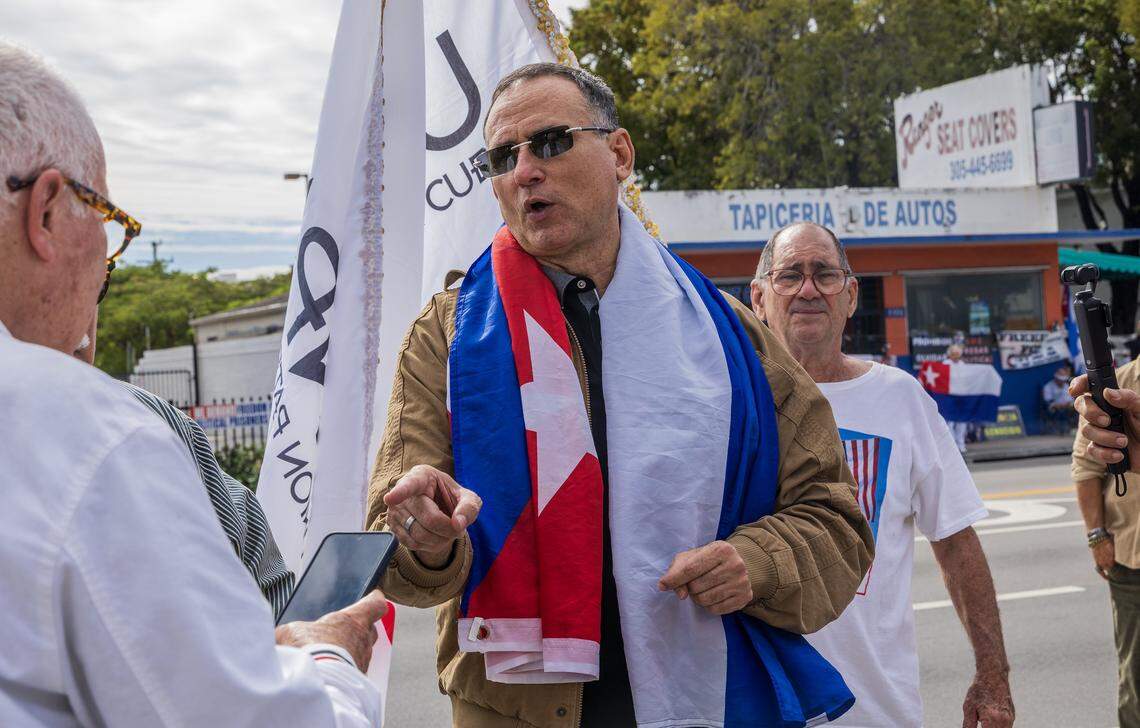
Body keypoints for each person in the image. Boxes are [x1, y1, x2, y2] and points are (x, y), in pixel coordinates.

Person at [366, 63, 874, 727]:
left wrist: (757, 561)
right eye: (501, 157)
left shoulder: (726, 333)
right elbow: (392, 540)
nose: (524, 171)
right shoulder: (449, 335)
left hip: (707, 692)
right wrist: (425, 537)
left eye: (549, 143)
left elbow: (835, 520)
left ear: (620, 154)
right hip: (517, 708)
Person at [0, 43, 384, 725]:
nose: (104, 273)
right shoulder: (86, 435)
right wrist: (325, 657)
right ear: (50, 212)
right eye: (110, 221)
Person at [750, 222, 1014, 728]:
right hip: (757, 707)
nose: (808, 289)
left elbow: (956, 543)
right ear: (759, 298)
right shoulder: (733, 398)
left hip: (877, 710)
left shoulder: (900, 398)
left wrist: (993, 674)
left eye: (824, 274)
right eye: (790, 276)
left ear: (850, 296)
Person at [73, 315, 295, 615]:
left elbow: (267, 586)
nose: (85, 317)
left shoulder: (152, 418)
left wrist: (300, 649)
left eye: (106, 271)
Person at [1069, 368, 1140, 725]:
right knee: (1136, 677)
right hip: (1132, 559)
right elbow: (1086, 468)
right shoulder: (1114, 384)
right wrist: (1097, 537)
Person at [945, 343, 972, 453]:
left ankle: (961, 444)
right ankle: (952, 447)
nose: (955, 356)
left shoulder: (962, 365)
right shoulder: (945, 364)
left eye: (957, 354)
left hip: (961, 396)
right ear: (949, 354)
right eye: (953, 354)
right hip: (949, 397)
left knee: (962, 421)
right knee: (949, 422)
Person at [1042, 363, 1076, 436]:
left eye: (1064, 380)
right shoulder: (1048, 387)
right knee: (1057, 409)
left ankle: (1072, 428)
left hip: (1067, 406)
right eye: (1061, 379)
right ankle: (1059, 430)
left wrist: (1068, 404)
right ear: (1056, 378)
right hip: (1053, 407)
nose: (1062, 381)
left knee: (1075, 407)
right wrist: (1058, 405)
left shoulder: (1066, 386)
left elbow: (1070, 399)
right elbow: (1049, 401)